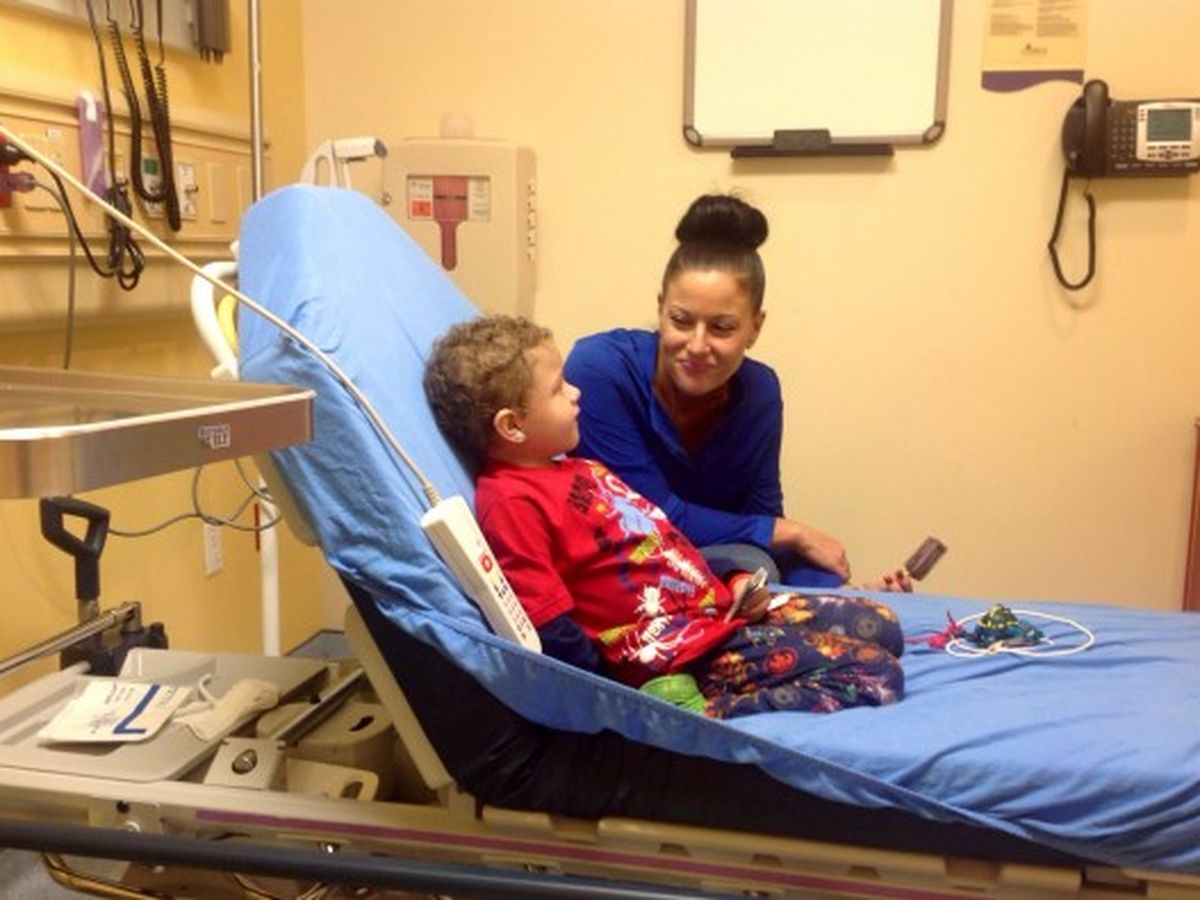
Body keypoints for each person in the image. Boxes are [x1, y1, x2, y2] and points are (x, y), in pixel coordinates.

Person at [424, 315, 904, 719]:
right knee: (877, 673)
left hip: (712, 612)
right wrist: (611, 698)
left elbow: (661, 552)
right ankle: (707, 712)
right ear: (512, 425)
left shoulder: (577, 469)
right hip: (679, 656)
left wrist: (732, 581)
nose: (575, 393)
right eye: (557, 389)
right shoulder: (511, 502)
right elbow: (550, 624)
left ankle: (749, 646)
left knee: (881, 624)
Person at [564, 193, 897, 589]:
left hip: (721, 566)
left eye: (721, 328)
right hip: (622, 564)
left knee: (807, 570)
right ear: (660, 309)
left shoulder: (760, 393)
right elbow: (652, 517)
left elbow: (763, 519)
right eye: (681, 320)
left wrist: (842, 594)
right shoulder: (601, 369)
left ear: (755, 327)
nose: (697, 345)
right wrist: (795, 533)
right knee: (754, 563)